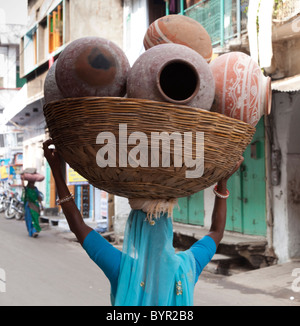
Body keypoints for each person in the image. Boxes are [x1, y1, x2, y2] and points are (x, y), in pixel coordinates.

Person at [43, 139, 244, 306]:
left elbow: (79, 227)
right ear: (168, 231)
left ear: (135, 229)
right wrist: (223, 183)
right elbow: (217, 232)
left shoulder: (123, 270)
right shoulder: (187, 266)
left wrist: (56, 171)